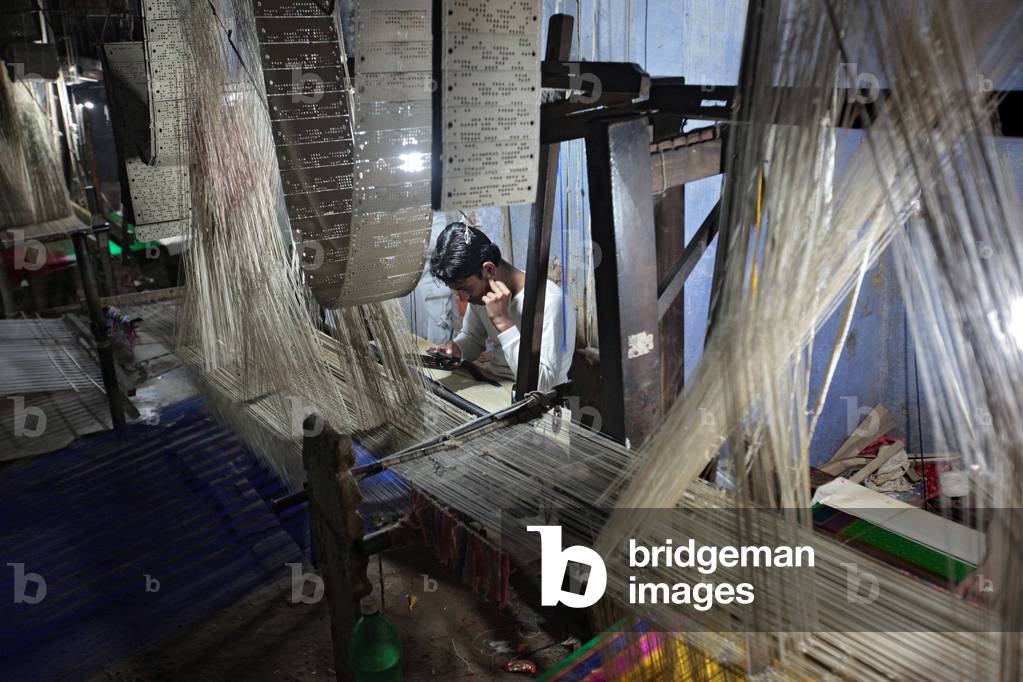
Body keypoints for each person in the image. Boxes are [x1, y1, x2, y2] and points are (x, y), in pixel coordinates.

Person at [426, 222, 575, 393]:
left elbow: (543, 384)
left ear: (488, 269)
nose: (463, 298)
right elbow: (473, 337)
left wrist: (503, 322)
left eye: (464, 289)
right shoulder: (482, 293)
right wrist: (457, 349)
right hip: (495, 384)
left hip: (535, 399)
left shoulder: (549, 301)